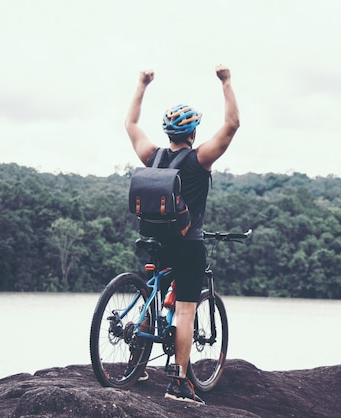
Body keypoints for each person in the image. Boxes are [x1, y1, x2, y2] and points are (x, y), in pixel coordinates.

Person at [124, 65, 240, 404]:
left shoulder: (152, 155)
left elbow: (130, 125)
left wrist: (142, 84)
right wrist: (227, 82)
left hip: (153, 242)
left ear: (168, 131)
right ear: (192, 131)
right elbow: (232, 125)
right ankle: (178, 383)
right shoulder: (199, 159)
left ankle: (137, 361)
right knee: (186, 310)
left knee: (153, 293)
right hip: (187, 244)